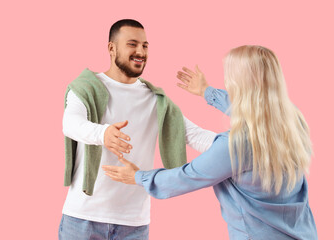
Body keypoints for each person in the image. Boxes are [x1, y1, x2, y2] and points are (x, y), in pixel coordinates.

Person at [103, 45, 318, 239]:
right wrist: (208, 92)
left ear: (240, 84)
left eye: (229, 76)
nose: (226, 81)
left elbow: (186, 176)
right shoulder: (293, 120)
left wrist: (138, 177)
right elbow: (255, 109)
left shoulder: (235, 146)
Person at [59, 19, 217, 240]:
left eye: (145, 46)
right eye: (132, 44)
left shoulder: (156, 100)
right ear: (111, 48)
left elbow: (195, 135)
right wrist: (103, 134)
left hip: (133, 225)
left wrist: (244, 144)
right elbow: (71, 124)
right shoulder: (85, 88)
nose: (140, 52)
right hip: (82, 220)